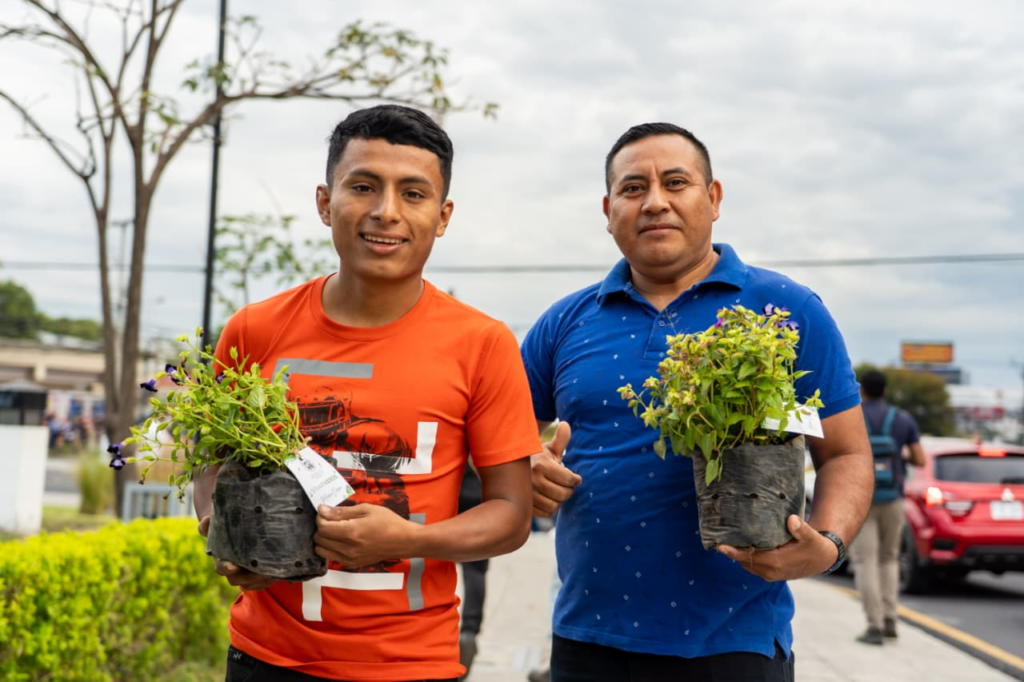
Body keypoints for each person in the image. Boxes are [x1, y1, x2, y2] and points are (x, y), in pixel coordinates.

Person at [194, 104, 541, 682]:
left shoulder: (483, 344)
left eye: (413, 193)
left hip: (412, 665)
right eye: (363, 186)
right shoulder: (254, 330)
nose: (386, 211)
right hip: (264, 658)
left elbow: (510, 515)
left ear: (443, 215)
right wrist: (223, 530)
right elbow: (212, 464)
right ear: (325, 202)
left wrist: (409, 537)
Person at [521, 122, 874, 682]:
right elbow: (503, 443)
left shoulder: (787, 310)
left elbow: (846, 454)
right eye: (633, 188)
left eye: (675, 182)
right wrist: (526, 467)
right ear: (609, 210)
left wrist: (827, 544)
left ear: (713, 199)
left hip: (736, 644)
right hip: (587, 639)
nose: (654, 202)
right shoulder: (565, 322)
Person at [849, 369, 925, 645]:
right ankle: (891, 617)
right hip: (893, 497)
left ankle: (874, 625)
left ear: (861, 390)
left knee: (865, 560)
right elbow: (920, 459)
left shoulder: (853, 415)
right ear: (885, 391)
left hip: (862, 498)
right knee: (889, 558)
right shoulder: (902, 418)